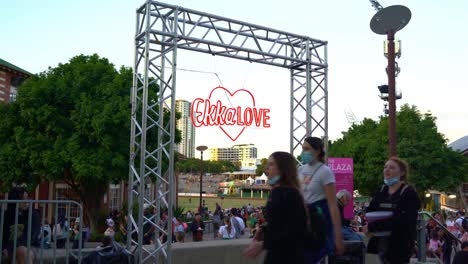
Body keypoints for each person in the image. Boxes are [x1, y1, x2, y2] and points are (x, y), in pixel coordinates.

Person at [244, 151, 307, 264]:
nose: (267, 168)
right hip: (278, 254)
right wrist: (263, 229)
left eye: (271, 164)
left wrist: (264, 244)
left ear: (283, 170)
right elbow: (279, 222)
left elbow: (294, 229)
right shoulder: (278, 192)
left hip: (288, 256)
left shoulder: (289, 194)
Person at [363, 157, 421, 264]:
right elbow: (370, 210)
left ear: (402, 173)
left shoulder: (408, 192)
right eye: (385, 167)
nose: (387, 170)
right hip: (377, 243)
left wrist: (373, 226)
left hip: (398, 246)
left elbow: (403, 220)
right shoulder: (381, 190)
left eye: (392, 168)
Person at [298, 137, 344, 262]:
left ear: (318, 151)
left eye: (307, 149)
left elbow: (333, 205)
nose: (303, 152)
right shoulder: (300, 170)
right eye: (303, 149)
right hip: (302, 222)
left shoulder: (325, 172)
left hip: (319, 222)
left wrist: (337, 236)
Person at [1, 187, 40, 264]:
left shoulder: (33, 214)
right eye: (23, 199)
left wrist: (15, 246)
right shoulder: (6, 215)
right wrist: (4, 247)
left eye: (27, 198)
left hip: (29, 246)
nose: (26, 202)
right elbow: (3, 235)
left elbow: (31, 237)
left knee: (23, 252)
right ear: (15, 200)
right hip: (10, 247)